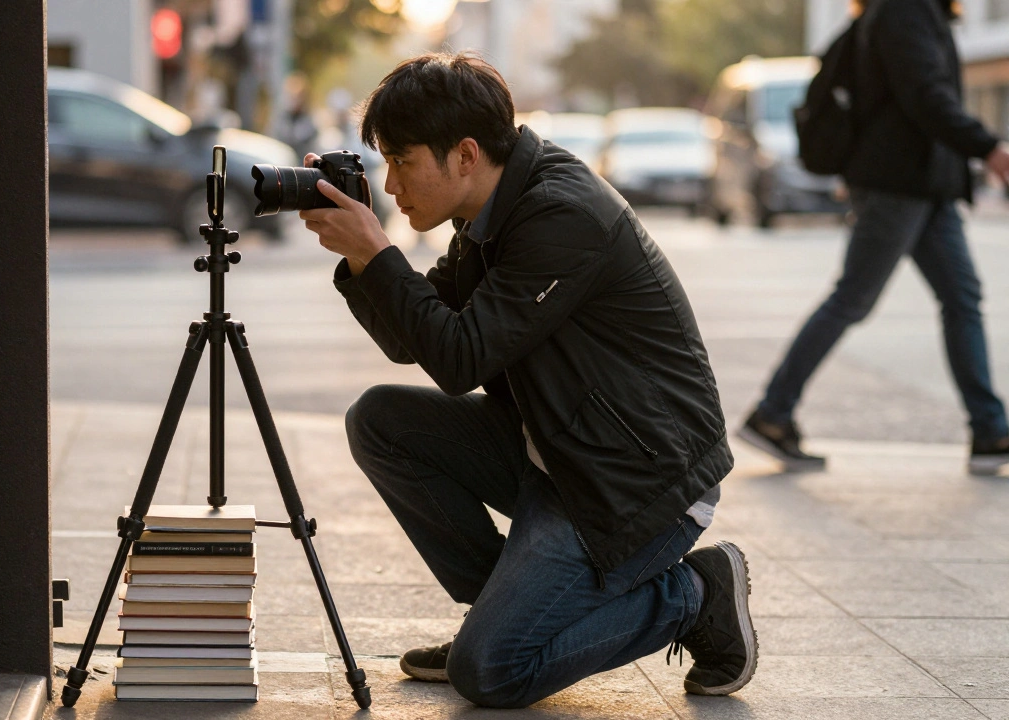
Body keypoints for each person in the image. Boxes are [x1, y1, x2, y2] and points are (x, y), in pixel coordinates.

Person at [297, 52, 756, 708]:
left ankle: (696, 593)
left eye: (401, 161)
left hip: (636, 481)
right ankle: (497, 613)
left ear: (464, 154)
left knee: (491, 672)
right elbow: (410, 340)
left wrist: (379, 251)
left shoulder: (561, 215)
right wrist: (361, 261)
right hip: (560, 451)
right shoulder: (488, 211)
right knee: (380, 422)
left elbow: (460, 361)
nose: (390, 184)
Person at [740, 0, 1009, 474]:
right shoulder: (904, 9)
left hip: (927, 186)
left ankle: (990, 431)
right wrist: (987, 148)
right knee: (853, 298)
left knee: (962, 298)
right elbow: (924, 94)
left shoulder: (912, 10)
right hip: (897, 185)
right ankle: (772, 414)